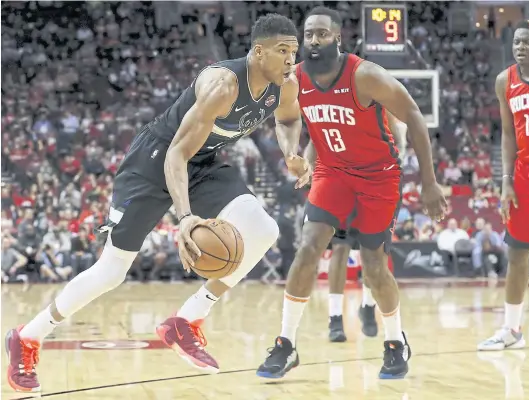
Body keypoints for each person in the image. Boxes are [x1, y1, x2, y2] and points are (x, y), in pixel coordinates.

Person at [5, 14, 311, 393]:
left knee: (265, 230)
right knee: (111, 272)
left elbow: (287, 120)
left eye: (293, 52)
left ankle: (185, 321)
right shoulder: (223, 86)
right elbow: (175, 155)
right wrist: (185, 218)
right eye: (283, 51)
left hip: (203, 162)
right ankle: (27, 336)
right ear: (258, 51)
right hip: (156, 159)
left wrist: (291, 152)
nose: (290, 59)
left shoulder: (286, 85)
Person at [256, 7, 447, 380]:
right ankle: (286, 343)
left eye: (321, 34)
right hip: (332, 172)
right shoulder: (293, 79)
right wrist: (293, 153)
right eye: (308, 34)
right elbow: (289, 118)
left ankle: (395, 342)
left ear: (337, 38)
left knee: (374, 266)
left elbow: (415, 116)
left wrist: (429, 182)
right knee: (308, 247)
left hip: (378, 176)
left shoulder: (365, 75)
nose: (314, 40)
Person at [477, 20, 529, 351]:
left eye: (527, 42)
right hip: (526, 174)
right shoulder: (504, 81)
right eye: (516, 42)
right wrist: (506, 181)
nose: (520, 47)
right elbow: (508, 134)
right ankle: (512, 330)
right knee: (517, 254)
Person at [304, 114, 408, 342]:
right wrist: (308, 167)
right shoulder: (334, 102)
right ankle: (335, 318)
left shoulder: (378, 101)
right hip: (340, 182)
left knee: (372, 255)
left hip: (374, 184)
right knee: (340, 249)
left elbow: (399, 140)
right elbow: (315, 139)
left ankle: (368, 305)